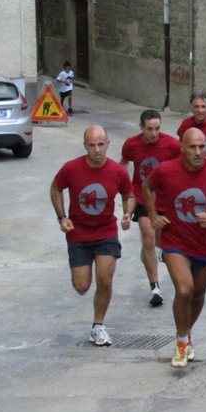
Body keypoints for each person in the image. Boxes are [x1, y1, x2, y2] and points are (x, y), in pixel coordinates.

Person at [143, 128, 206, 368]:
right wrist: (154, 215)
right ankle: (182, 341)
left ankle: (187, 334)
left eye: (202, 147)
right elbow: (147, 186)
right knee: (184, 290)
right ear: (182, 148)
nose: (198, 152)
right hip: (175, 241)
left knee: (198, 294)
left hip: (203, 243)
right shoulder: (166, 170)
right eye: (193, 147)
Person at [50, 126, 135, 346]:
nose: (97, 149)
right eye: (91, 145)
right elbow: (56, 188)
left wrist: (127, 213)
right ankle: (96, 323)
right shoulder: (71, 168)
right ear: (85, 146)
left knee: (104, 279)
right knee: (82, 287)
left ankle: (98, 326)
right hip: (78, 234)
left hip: (106, 232)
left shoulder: (117, 171)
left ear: (108, 144)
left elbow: (129, 195)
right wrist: (62, 217)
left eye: (100, 144)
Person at [120, 109, 182, 306]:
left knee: (160, 241)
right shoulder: (131, 144)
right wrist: (121, 185)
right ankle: (155, 287)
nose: (154, 133)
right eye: (149, 129)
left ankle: (150, 254)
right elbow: (124, 163)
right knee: (148, 235)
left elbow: (182, 165)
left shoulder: (171, 144)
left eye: (157, 128)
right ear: (141, 127)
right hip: (141, 197)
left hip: (165, 198)